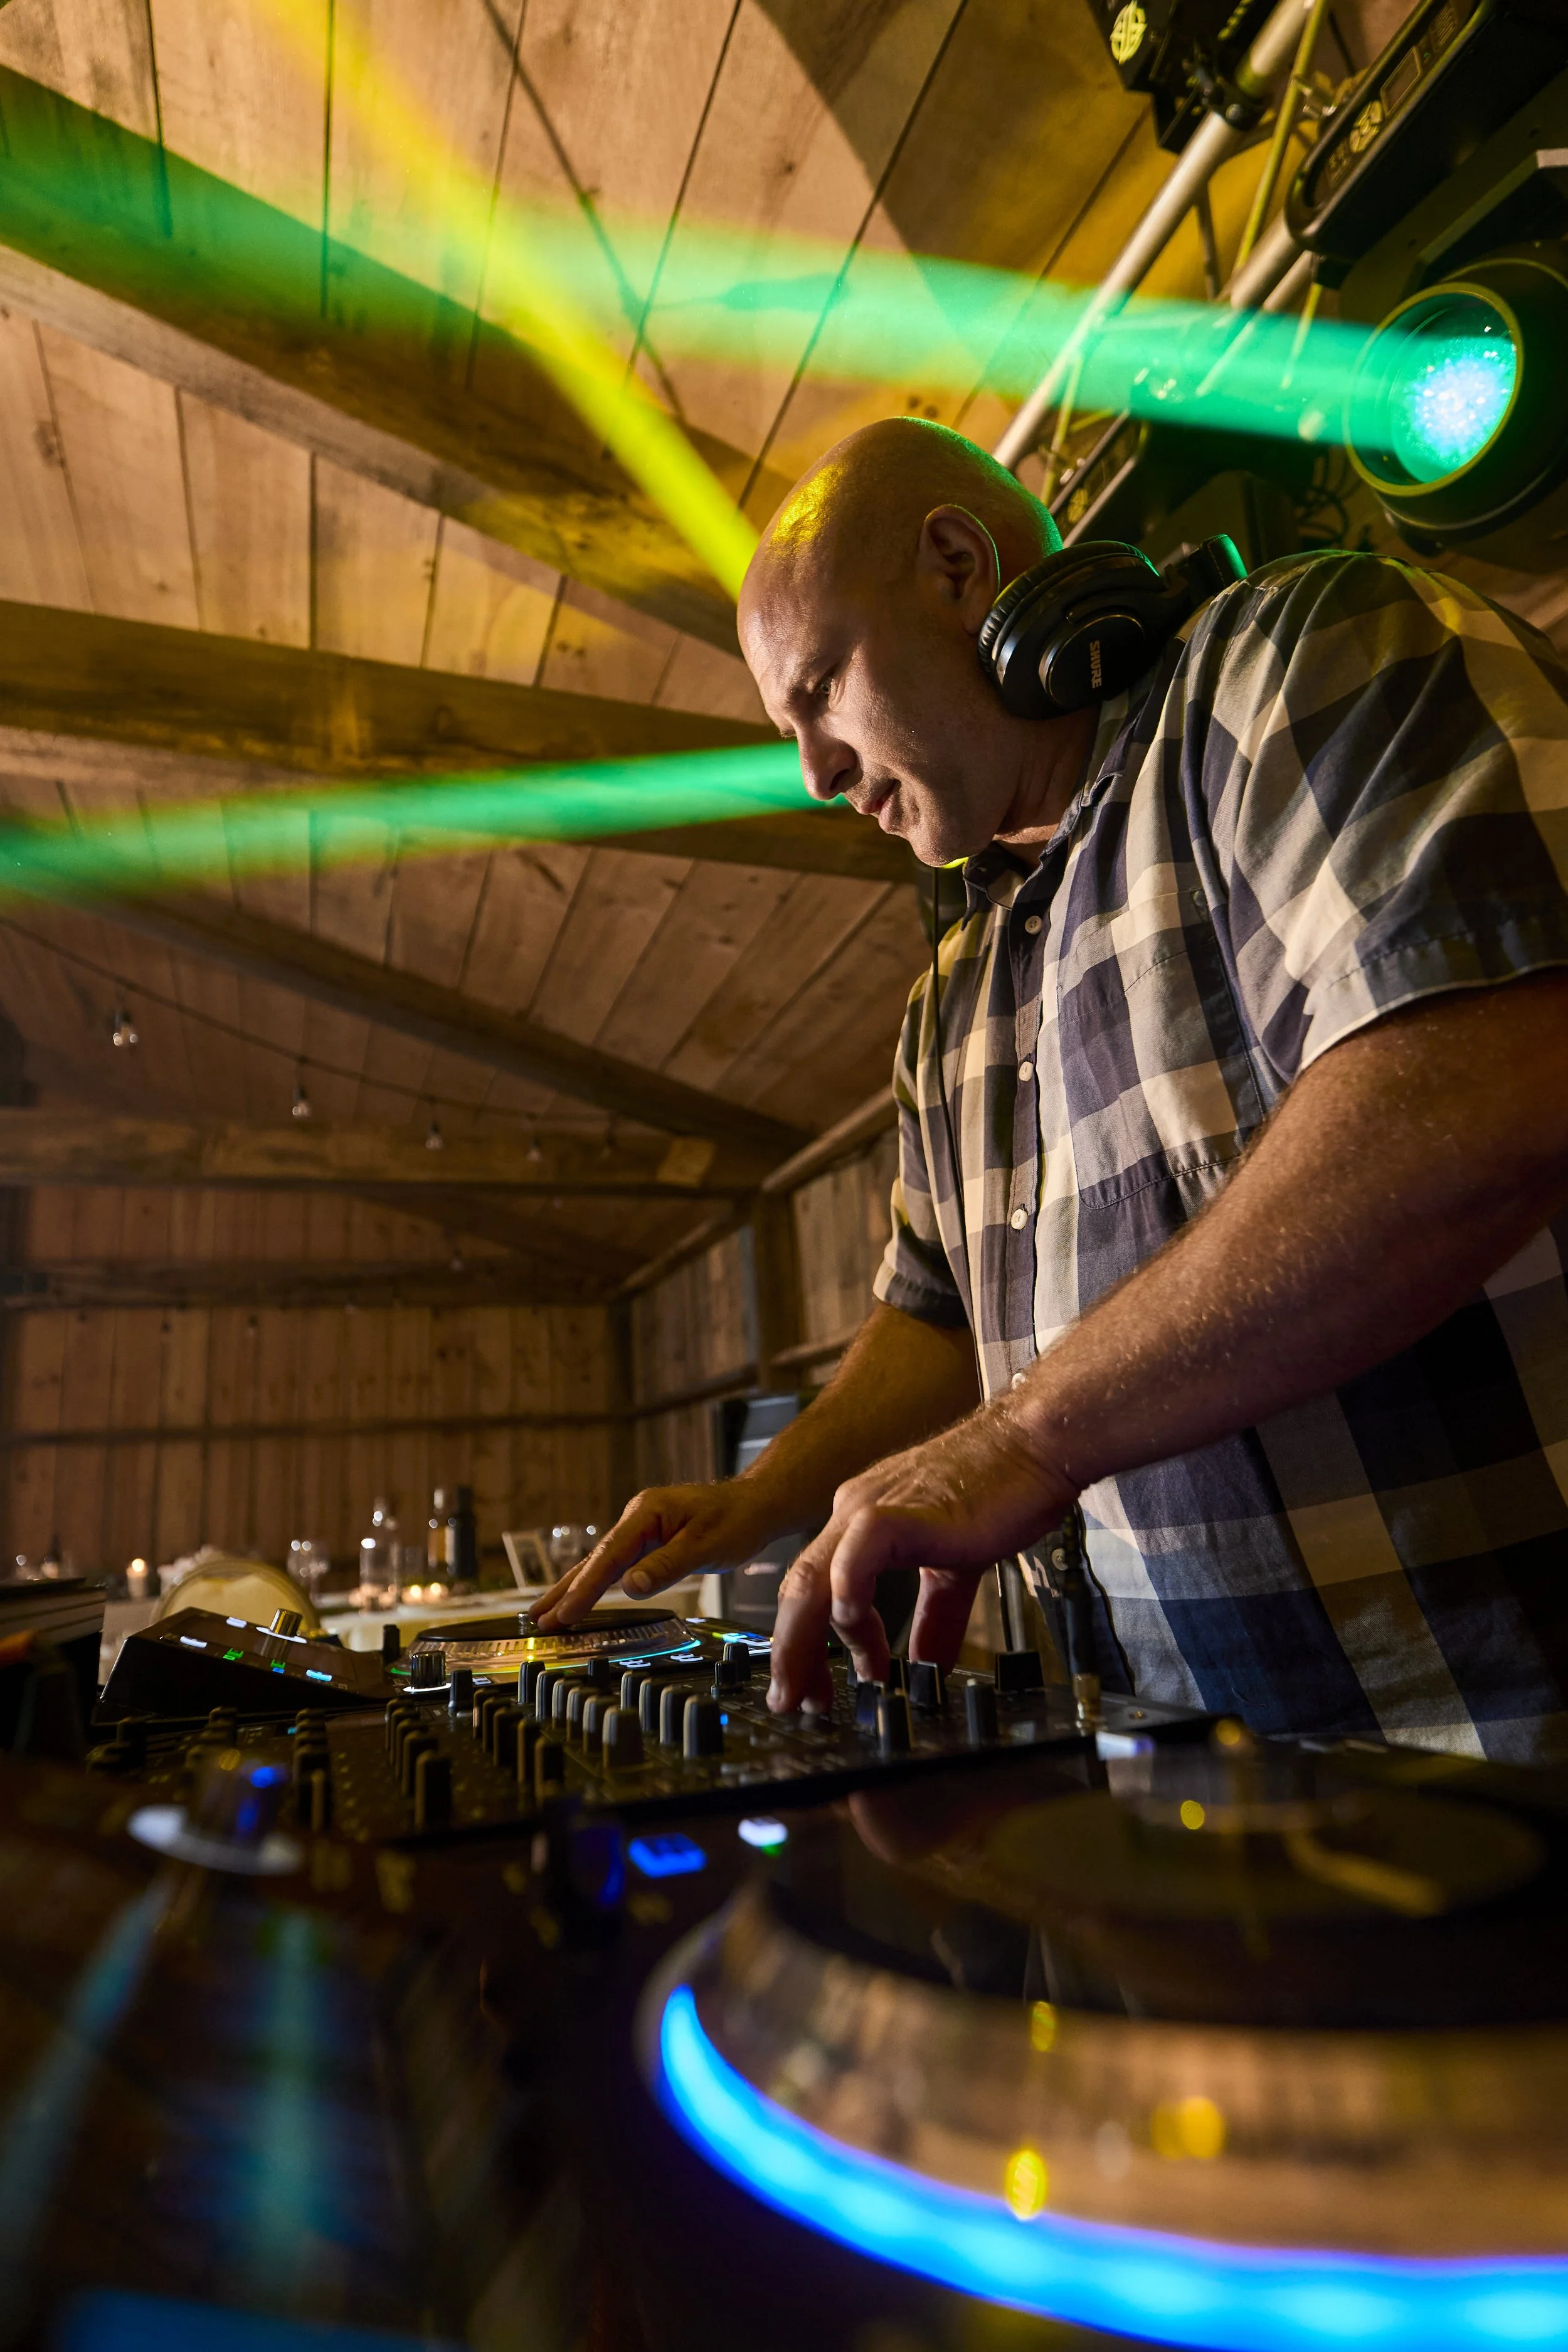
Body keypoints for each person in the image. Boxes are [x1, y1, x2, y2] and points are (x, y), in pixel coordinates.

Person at [535, 417, 1568, 1761]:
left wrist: (1024, 1437)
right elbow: (932, 1320)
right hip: (1180, 1772)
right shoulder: (946, 1001)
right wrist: (766, 1497)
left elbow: (1491, 1077)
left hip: (1493, 1734)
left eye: (821, 692)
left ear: (957, 566)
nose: (814, 773)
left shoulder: (1291, 657)